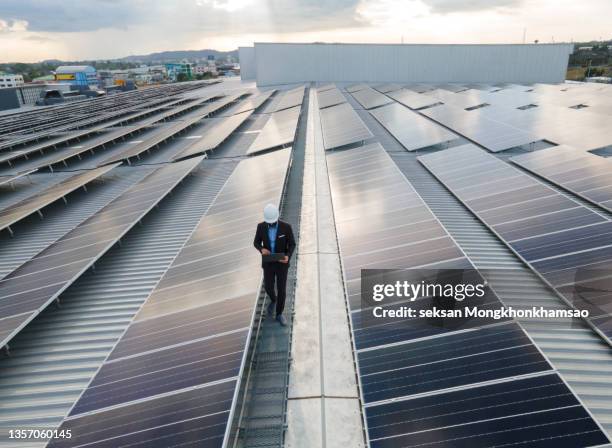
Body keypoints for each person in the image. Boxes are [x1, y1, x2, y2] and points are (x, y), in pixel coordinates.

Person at [253, 203, 296, 326]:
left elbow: (292, 244)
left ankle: (279, 314)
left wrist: (288, 256)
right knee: (268, 287)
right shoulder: (260, 227)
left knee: (282, 289)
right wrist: (261, 249)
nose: (271, 223)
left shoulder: (286, 227)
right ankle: (273, 299)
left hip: (282, 263)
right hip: (268, 262)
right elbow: (255, 242)